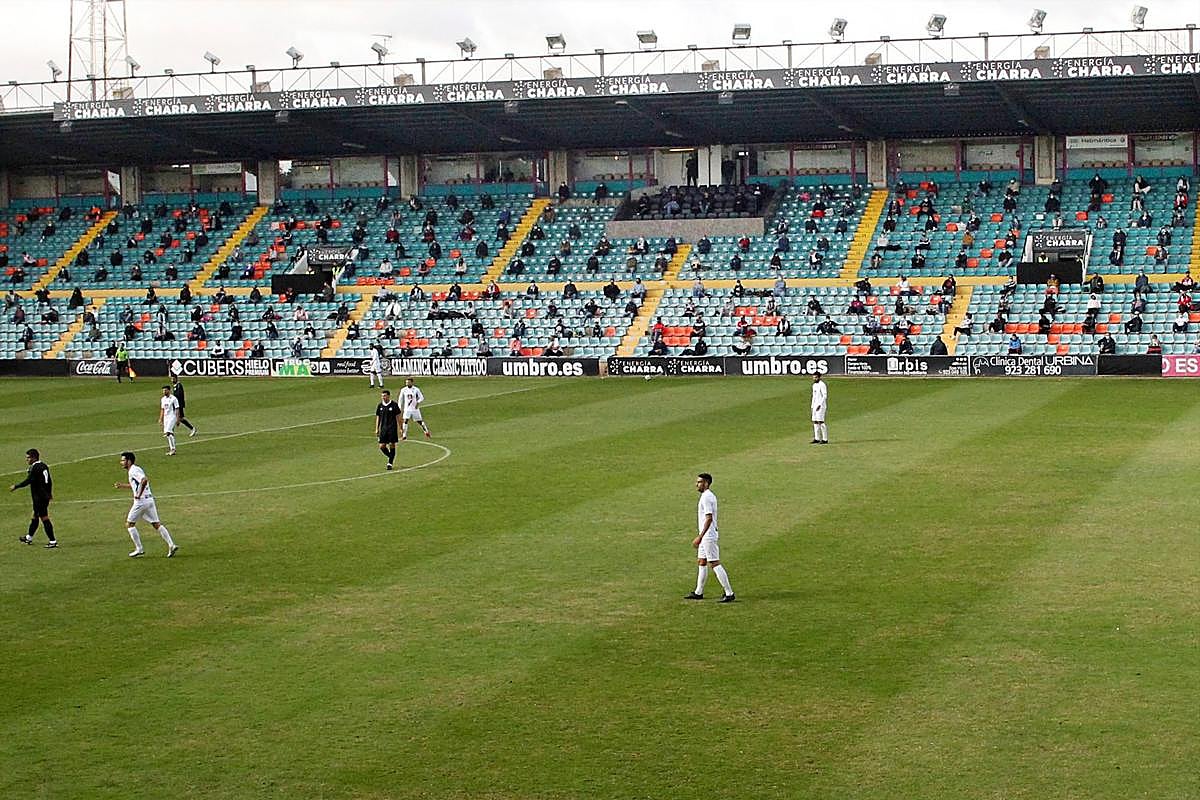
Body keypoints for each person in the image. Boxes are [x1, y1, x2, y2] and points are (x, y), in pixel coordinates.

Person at [114, 452, 177, 558]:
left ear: (129, 461)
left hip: (141, 502)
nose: (121, 462)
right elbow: (136, 484)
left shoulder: (133, 470)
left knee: (129, 524)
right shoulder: (136, 469)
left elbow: (144, 480)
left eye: (123, 460)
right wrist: (122, 485)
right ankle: (171, 545)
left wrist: (138, 494)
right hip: (149, 500)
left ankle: (139, 548)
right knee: (156, 524)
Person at [683, 473, 734, 603]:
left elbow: (709, 518)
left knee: (714, 563)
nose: (697, 484)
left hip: (708, 536)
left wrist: (700, 537)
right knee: (702, 562)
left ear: (706, 483)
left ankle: (729, 593)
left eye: (699, 482)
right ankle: (698, 592)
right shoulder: (707, 496)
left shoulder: (707, 497)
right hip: (706, 536)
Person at [12, 448, 56, 548]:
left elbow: (28, 480)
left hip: (39, 497)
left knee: (44, 518)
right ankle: (29, 537)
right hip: (43, 496)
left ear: (34, 458)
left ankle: (53, 541)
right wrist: (49, 493)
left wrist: (16, 486)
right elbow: (49, 481)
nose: (26, 460)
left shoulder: (35, 468)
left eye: (28, 458)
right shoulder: (43, 465)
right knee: (35, 516)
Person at [375, 389, 401, 470]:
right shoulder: (380, 406)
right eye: (382, 396)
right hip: (383, 428)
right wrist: (377, 428)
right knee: (382, 446)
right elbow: (378, 417)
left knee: (391, 445)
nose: (383, 397)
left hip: (392, 428)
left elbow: (398, 417)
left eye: (385, 396)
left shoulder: (394, 405)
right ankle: (391, 457)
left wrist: (401, 428)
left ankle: (390, 463)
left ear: (389, 396)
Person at [169, 373, 197, 438]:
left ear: (176, 378)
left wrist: (172, 398)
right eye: (171, 378)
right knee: (172, 417)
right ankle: (169, 432)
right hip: (176, 405)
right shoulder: (175, 386)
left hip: (179, 405)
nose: (172, 380)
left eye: (173, 378)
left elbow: (179, 395)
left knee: (180, 418)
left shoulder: (179, 386)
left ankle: (192, 428)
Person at [159, 385, 180, 456]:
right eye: (163, 390)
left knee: (168, 432)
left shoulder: (174, 399)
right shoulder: (163, 399)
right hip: (166, 418)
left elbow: (177, 409)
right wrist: (161, 418)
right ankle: (172, 449)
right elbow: (162, 409)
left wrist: (177, 419)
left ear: (169, 390)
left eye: (165, 390)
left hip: (172, 417)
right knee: (169, 434)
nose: (164, 392)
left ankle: (173, 449)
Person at [811, 372, 829, 445]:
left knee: (820, 421)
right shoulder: (814, 385)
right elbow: (814, 396)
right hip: (814, 405)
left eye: (816, 377)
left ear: (819, 377)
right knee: (815, 421)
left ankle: (825, 439)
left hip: (821, 406)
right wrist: (812, 406)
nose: (814, 379)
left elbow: (824, 396)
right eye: (813, 377)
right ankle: (817, 438)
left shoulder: (822, 385)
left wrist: (820, 404)